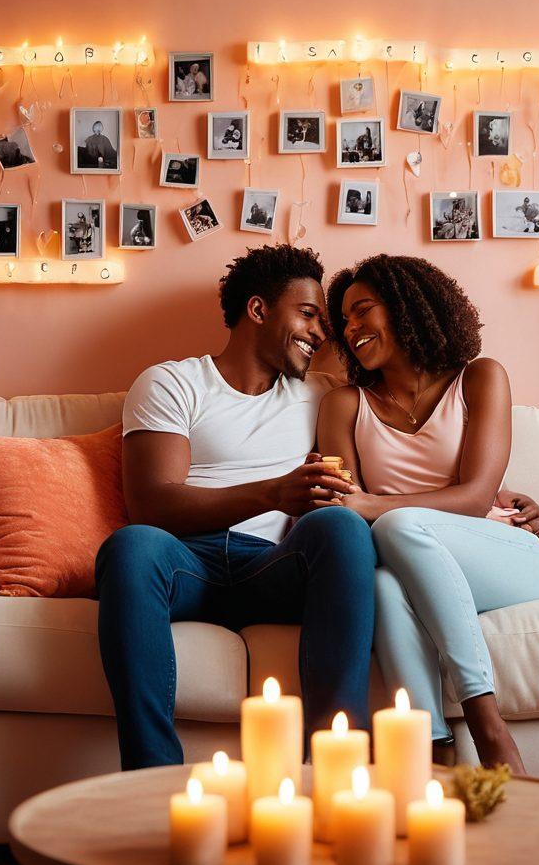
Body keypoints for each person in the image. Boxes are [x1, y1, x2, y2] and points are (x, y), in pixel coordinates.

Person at [95, 245, 378, 771]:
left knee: (341, 528)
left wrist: (495, 497)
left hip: (275, 566)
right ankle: (152, 781)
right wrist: (272, 493)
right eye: (309, 314)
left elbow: (413, 438)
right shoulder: (172, 383)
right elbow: (152, 504)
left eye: (324, 324)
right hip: (186, 564)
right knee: (131, 546)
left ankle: (338, 774)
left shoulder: (325, 393)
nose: (321, 335)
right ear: (258, 310)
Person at [317, 255, 539, 774]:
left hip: (503, 551)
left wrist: (374, 505)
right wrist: (366, 510)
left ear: (406, 306)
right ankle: (433, 753)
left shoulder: (480, 378)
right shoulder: (344, 405)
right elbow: (345, 514)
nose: (352, 328)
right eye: (345, 323)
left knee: (398, 524)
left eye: (363, 310)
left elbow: (474, 497)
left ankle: (488, 723)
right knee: (381, 584)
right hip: (408, 559)